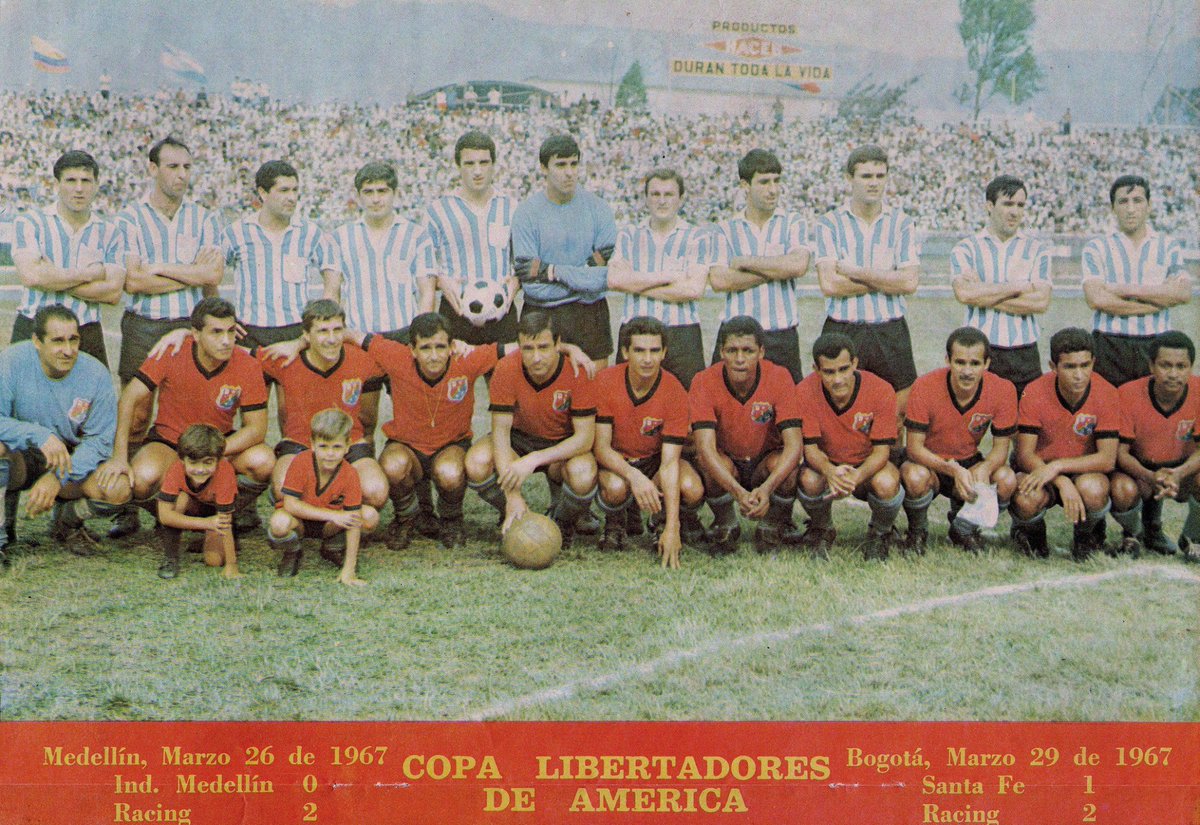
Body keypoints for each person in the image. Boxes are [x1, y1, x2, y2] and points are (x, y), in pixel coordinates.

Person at [108, 136, 225, 538]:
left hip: (193, 324)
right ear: (152, 169)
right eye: (173, 167)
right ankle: (129, 500)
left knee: (196, 415)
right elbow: (134, 282)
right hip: (145, 324)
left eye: (187, 167)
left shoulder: (205, 218)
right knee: (137, 413)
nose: (181, 175)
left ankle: (194, 496)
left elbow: (211, 277)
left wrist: (161, 267)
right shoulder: (129, 218)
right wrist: (187, 270)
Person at [94, 297, 275, 533]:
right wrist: (119, 456)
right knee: (142, 478)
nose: (226, 341)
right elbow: (129, 398)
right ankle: (172, 514)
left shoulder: (246, 365)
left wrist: (212, 451)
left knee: (263, 461)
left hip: (217, 443)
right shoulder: (172, 350)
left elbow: (256, 429)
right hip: (171, 443)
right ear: (196, 334)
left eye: (231, 332)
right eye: (216, 332)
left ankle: (220, 513)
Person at [512, 134, 664, 366]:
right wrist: (582, 276)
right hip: (542, 313)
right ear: (544, 168)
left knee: (594, 392)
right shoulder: (526, 213)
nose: (569, 172)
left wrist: (551, 271)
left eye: (574, 164)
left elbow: (605, 277)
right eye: (560, 165)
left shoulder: (599, 209)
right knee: (542, 393)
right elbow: (531, 283)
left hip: (590, 314)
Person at [0, 305, 129, 561]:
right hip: (25, 454)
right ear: (37, 341)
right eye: (58, 341)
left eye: (74, 339)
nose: (68, 350)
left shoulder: (96, 374)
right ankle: (3, 531)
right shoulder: (11, 361)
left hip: (72, 459)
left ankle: (68, 521)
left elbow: (100, 440)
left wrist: (58, 478)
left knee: (118, 489)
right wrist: (38, 435)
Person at [465, 311, 597, 545]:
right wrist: (511, 495)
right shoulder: (506, 368)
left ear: (558, 344)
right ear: (518, 346)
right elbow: (501, 434)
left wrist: (535, 459)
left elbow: (585, 439)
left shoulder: (577, 370)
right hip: (520, 439)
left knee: (583, 473)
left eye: (544, 347)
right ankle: (514, 510)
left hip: (561, 443)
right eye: (528, 348)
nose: (536, 358)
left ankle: (560, 521)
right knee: (477, 462)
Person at [814, 144, 919, 417]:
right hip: (843, 327)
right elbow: (831, 285)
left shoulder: (902, 223)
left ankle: (890, 459)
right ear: (849, 179)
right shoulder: (830, 223)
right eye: (866, 176)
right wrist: (886, 277)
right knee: (837, 408)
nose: (874, 183)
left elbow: (909, 283)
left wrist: (855, 271)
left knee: (897, 410)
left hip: (890, 327)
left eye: (880, 176)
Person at [258, 300, 388, 516]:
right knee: (283, 488)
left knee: (375, 492)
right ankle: (310, 518)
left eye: (337, 330)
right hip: (301, 443)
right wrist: (186, 333)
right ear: (306, 336)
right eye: (323, 331)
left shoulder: (363, 360)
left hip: (349, 443)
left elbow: (401, 354)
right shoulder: (286, 358)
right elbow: (234, 352)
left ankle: (336, 526)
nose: (331, 339)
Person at [594, 317, 705, 568]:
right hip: (619, 462)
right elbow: (601, 447)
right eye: (639, 350)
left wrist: (673, 527)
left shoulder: (675, 391)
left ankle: (661, 521)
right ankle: (616, 521)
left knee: (691, 487)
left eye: (655, 350)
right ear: (625, 352)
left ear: (664, 352)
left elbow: (669, 462)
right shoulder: (606, 381)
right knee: (614, 486)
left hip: (654, 462)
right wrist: (634, 476)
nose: (647, 359)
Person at [688, 316, 804, 555]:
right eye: (732, 350)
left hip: (763, 460)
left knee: (788, 467)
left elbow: (794, 446)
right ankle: (726, 524)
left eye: (748, 350)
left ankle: (771, 526)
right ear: (721, 352)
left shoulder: (780, 377)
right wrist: (738, 493)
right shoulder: (703, 381)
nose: (740, 359)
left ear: (761, 352)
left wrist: (767, 489)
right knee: (708, 462)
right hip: (728, 460)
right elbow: (705, 449)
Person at [900, 327, 1019, 553]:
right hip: (930, 462)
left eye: (974, 363)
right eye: (960, 362)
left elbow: (1001, 449)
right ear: (948, 360)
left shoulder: (1003, 390)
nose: (967, 371)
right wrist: (952, 470)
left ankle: (965, 527)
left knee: (1006, 479)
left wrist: (984, 468)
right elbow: (914, 448)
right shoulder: (925, 386)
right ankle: (917, 531)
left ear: (987, 364)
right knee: (914, 476)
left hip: (969, 460)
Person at [1010, 328, 1119, 560]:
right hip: (1041, 468)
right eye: (1070, 367)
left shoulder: (1106, 393)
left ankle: (1086, 536)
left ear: (1094, 363)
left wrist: (1059, 466)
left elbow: (1107, 459)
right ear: (1053, 366)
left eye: (1085, 365)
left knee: (1093, 489)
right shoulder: (1034, 391)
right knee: (1026, 497)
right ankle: (1033, 536)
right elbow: (1024, 455)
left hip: (1082, 471)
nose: (1079, 375)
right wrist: (1059, 480)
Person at [11, 150, 124, 366]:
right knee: (24, 398)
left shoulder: (110, 232)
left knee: (88, 398)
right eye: (71, 180)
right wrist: (89, 273)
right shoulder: (30, 222)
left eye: (86, 181)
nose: (79, 188)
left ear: (96, 185)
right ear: (57, 184)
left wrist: (52, 277)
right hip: (34, 325)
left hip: (86, 329)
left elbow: (113, 292)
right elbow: (32, 277)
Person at [795, 332, 902, 560]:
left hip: (867, 463)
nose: (838, 379)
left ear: (855, 363)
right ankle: (823, 529)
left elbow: (882, 451)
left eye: (843, 369)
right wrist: (830, 471)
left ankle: (880, 532)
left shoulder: (881, 390)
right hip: (829, 462)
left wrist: (857, 475)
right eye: (829, 371)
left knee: (887, 482)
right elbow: (811, 449)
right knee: (808, 480)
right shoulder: (804, 391)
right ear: (816, 368)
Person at [707, 149, 811, 382]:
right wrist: (776, 268)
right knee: (728, 410)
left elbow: (798, 266)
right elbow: (720, 281)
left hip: (781, 336)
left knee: (788, 413)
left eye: (776, 181)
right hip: (736, 338)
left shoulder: (793, 222)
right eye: (764, 182)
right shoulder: (726, 228)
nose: (773, 189)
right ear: (745, 185)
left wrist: (746, 262)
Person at [1082, 175, 1191, 387]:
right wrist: (1158, 298)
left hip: (1156, 343)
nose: (1131, 208)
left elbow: (1183, 294)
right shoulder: (1097, 248)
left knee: (1149, 413)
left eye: (1137, 201)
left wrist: (1123, 289)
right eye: (1123, 201)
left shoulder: (1168, 247)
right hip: (1108, 343)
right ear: (1113, 207)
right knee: (1112, 414)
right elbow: (1097, 300)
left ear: (1149, 205)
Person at [609, 169, 713, 389]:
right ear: (646, 198)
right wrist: (668, 277)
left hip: (682, 331)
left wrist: (636, 285)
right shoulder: (629, 234)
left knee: (686, 405)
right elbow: (616, 280)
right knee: (630, 403)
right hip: (635, 329)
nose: (662, 201)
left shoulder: (696, 236)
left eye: (669, 194)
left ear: (681, 199)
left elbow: (693, 290)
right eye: (656, 194)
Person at [951, 175, 1053, 397]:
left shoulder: (1037, 249)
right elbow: (966, 294)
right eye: (1007, 204)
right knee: (974, 425)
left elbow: (1041, 302)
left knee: (1025, 427)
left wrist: (985, 291)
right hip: (979, 351)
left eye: (1020, 205)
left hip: (1024, 352)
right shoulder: (966, 248)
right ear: (990, 206)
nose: (1015, 212)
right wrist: (1018, 287)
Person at [222, 160, 338, 348]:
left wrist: (317, 327)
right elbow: (210, 278)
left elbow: (333, 282)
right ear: (263, 193)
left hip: (296, 332)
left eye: (294, 190)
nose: (292, 197)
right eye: (284, 191)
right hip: (249, 333)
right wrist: (222, 320)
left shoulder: (311, 233)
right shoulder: (235, 233)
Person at [1109, 331, 1200, 556]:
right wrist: (1150, 476)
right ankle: (1135, 534)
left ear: (1191, 367)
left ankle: (1193, 537)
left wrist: (1178, 474)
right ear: (1151, 366)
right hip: (1140, 468)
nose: (1173, 374)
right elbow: (1120, 453)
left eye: (1181, 366)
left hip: (1183, 468)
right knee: (1122, 489)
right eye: (1165, 365)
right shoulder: (1128, 393)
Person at [426, 132, 518, 347]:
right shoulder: (438, 210)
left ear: (494, 164)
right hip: (456, 311)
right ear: (458, 165)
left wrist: (516, 282)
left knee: (504, 380)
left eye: (484, 162)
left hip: (501, 309)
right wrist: (441, 281)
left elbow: (523, 261)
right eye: (469, 163)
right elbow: (424, 265)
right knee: (456, 381)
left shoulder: (512, 208)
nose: (477, 171)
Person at [269, 408, 378, 585]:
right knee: (278, 523)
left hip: (330, 526)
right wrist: (333, 514)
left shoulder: (350, 473)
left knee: (369, 516)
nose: (330, 453)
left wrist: (349, 571)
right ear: (312, 444)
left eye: (337, 447)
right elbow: (290, 505)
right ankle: (293, 552)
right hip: (300, 520)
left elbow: (354, 520)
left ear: (348, 446)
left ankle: (333, 547)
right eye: (323, 446)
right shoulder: (301, 462)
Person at [332, 161, 435, 344]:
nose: (376, 199)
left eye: (382, 191)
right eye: (368, 192)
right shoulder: (340, 237)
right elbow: (333, 292)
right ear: (358, 196)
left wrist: (421, 336)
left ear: (395, 193)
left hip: (403, 335)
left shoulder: (417, 235)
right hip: (358, 336)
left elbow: (427, 292)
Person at [154, 424, 239, 580]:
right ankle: (170, 558)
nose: (200, 469)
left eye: (207, 462)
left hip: (216, 512)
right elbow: (165, 516)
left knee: (213, 561)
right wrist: (206, 523)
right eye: (193, 463)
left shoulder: (225, 473)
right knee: (180, 500)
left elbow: (224, 521)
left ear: (218, 460)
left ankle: (215, 539)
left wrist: (231, 566)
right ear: (182, 460)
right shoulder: (176, 469)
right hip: (198, 511)